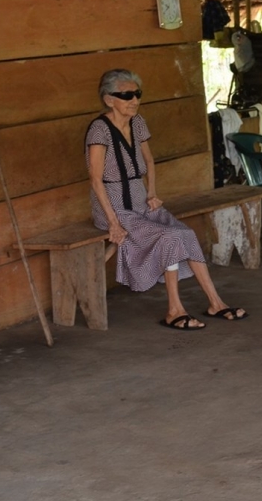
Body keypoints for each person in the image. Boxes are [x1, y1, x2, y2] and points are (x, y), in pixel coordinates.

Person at [86, 69, 247, 330]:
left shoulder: (137, 123)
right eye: (126, 95)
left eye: (137, 94)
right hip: (114, 208)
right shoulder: (99, 130)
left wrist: (151, 193)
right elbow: (95, 180)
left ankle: (216, 302)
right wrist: (113, 223)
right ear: (108, 100)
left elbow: (149, 161)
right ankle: (174, 310)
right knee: (169, 237)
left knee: (186, 233)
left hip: (141, 202)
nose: (134, 100)